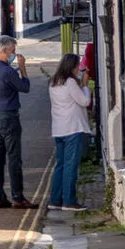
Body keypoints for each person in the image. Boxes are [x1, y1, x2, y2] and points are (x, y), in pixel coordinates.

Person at [0, 34, 38, 209]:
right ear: (6, 51)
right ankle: (18, 197)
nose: (15, 54)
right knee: (14, 158)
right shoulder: (8, 71)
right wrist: (22, 68)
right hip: (9, 116)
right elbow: (25, 87)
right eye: (14, 51)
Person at [48, 53, 92, 212]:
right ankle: (69, 201)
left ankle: (55, 199)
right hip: (72, 128)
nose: (78, 69)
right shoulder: (70, 82)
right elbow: (84, 101)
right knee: (70, 166)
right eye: (77, 66)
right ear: (72, 67)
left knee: (60, 165)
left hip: (58, 129)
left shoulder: (53, 82)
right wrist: (85, 85)